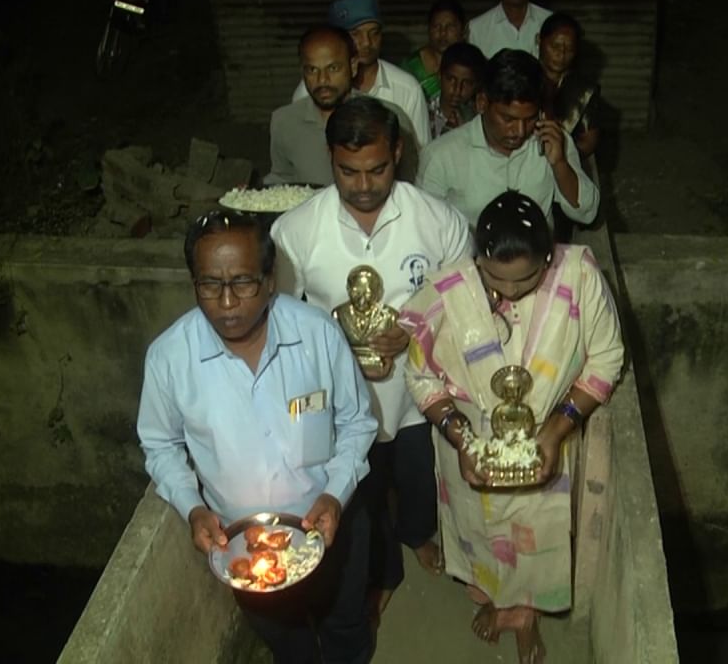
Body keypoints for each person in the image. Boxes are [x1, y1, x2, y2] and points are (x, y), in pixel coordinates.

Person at [137, 211, 379, 663]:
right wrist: (191, 507)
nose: (227, 302)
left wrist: (335, 493)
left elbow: (357, 422)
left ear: (270, 280)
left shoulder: (317, 334)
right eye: (209, 284)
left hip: (332, 522)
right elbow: (159, 445)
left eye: (243, 282)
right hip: (244, 548)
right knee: (286, 641)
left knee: (346, 624)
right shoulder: (170, 359)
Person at [398, 191, 625, 664]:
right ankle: (497, 600)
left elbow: (606, 357)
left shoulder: (579, 275)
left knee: (536, 533)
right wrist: (460, 436)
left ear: (549, 257)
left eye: (526, 280)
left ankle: (525, 613)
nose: (509, 292)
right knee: (477, 523)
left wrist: (557, 429)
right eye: (493, 279)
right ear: (476, 259)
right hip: (472, 434)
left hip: (546, 431)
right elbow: (419, 374)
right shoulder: (449, 291)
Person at [271, 96, 472, 625]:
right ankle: (383, 572)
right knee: (358, 492)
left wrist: (414, 330)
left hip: (414, 392)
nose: (363, 185)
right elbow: (282, 321)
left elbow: (464, 300)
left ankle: (417, 535)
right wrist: (335, 342)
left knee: (416, 475)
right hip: (341, 402)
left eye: (377, 169)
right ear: (330, 158)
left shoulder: (437, 222)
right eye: (348, 171)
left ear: (399, 152)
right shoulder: (296, 232)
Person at [418, 49, 599, 228]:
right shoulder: (440, 156)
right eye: (508, 119)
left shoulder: (554, 142)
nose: (520, 131)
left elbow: (587, 213)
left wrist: (560, 164)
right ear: (482, 103)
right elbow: (424, 228)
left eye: (530, 119)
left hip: (538, 256)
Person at [267, 25, 419, 187]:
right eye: (312, 70)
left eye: (333, 68)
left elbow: (410, 185)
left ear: (353, 66)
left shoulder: (389, 118)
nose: (322, 80)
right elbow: (281, 181)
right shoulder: (284, 122)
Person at [291, 0, 431, 148]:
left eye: (374, 33)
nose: (367, 42)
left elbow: (422, 153)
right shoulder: (309, 92)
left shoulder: (407, 89)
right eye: (355, 34)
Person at [538, 12, 604, 182]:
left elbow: (589, 142)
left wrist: (561, 154)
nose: (561, 53)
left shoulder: (585, 90)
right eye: (555, 46)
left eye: (570, 49)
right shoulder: (524, 77)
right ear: (539, 40)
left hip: (569, 165)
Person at [402, 0, 468, 102]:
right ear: (428, 29)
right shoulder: (411, 66)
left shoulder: (474, 65)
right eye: (436, 26)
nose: (442, 33)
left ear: (463, 29)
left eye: (450, 27)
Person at [431, 42, 487, 140]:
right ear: (439, 76)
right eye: (451, 79)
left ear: (477, 85)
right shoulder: (423, 111)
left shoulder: (482, 119)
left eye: (467, 83)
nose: (457, 90)